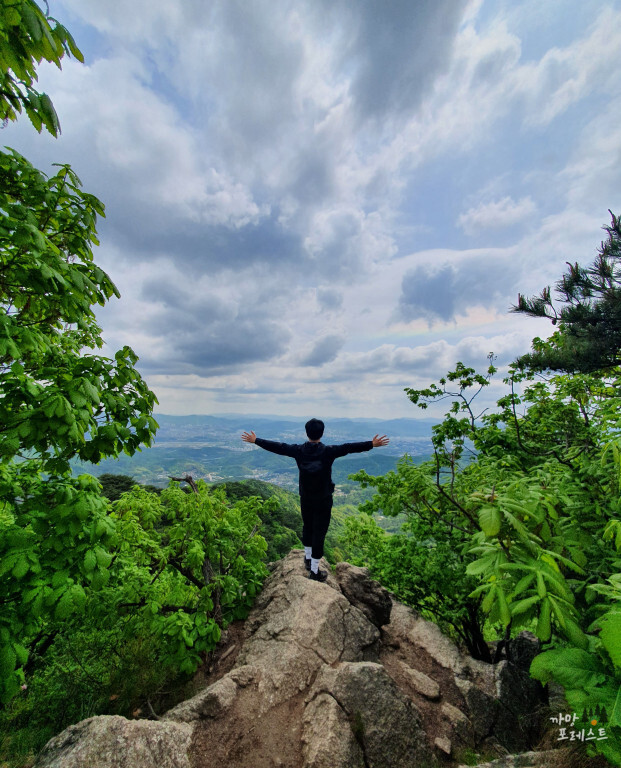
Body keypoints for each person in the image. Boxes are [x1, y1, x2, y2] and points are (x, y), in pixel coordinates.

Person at [241, 418, 389, 582]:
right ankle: (314, 571)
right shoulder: (328, 451)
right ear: (322, 433)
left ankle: (308, 557)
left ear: (307, 433)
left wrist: (256, 440)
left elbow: (279, 447)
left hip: (306, 497)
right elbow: (349, 448)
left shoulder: (299, 450)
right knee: (319, 532)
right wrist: (371, 444)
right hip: (323, 498)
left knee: (308, 527)